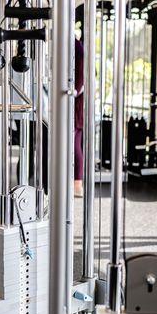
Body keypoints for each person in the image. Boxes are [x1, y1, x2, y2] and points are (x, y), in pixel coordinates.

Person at [74, 38, 84, 197]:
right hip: (76, 109)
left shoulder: (81, 61)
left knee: (75, 146)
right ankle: (77, 183)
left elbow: (78, 87)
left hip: (75, 110)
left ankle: (77, 183)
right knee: (75, 145)